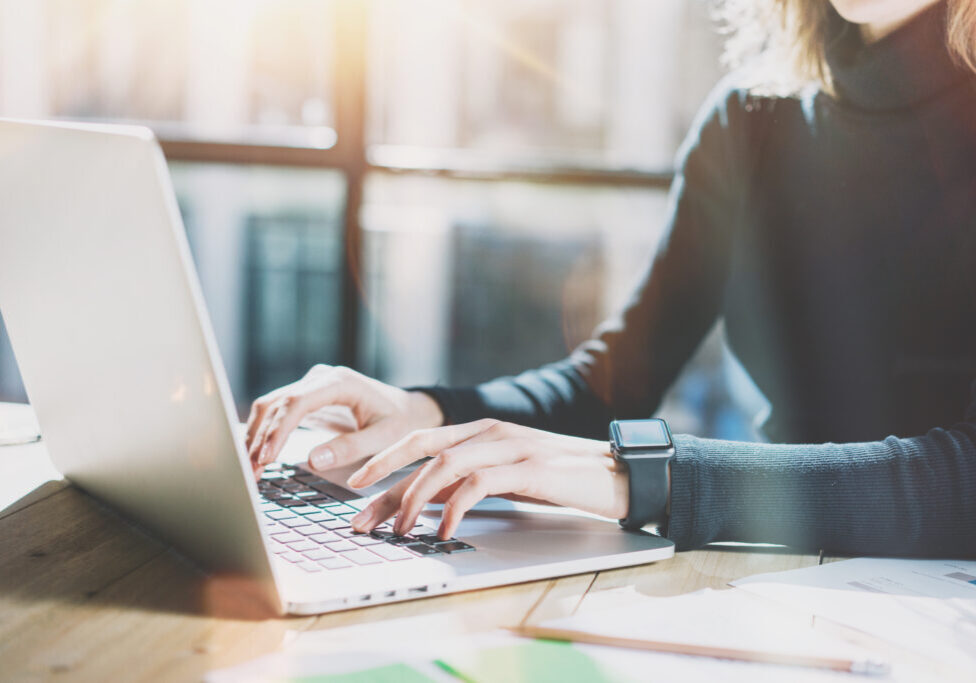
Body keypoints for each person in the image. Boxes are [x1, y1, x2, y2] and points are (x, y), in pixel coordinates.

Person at [246, 0, 976, 557]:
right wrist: (425, 412)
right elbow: (615, 383)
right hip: (774, 579)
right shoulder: (752, 121)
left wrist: (643, 476)